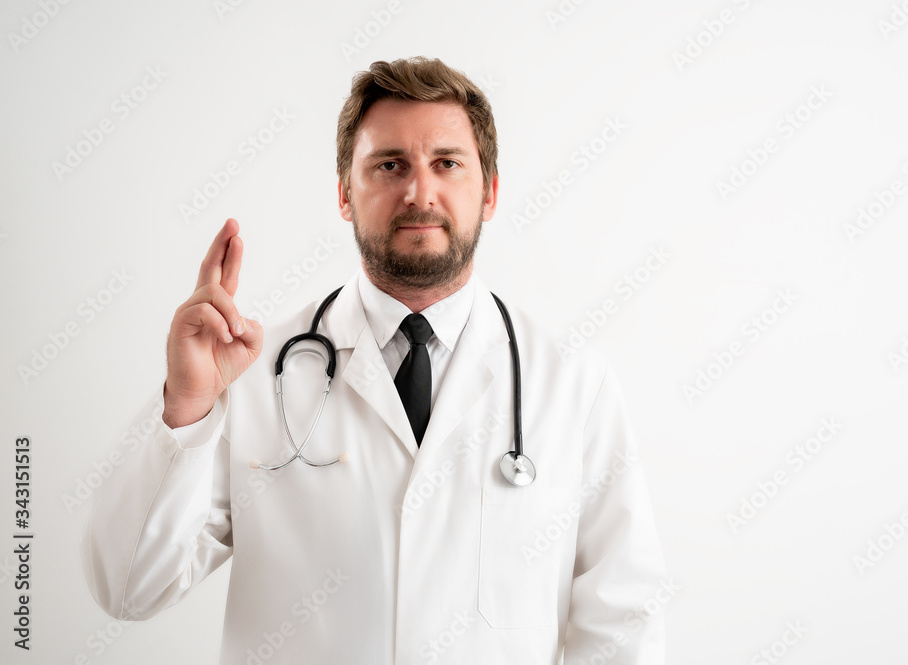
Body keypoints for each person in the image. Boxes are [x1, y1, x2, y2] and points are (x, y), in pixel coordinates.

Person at [83, 56, 666, 663]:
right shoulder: (252, 373)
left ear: (489, 191)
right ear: (344, 194)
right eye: (390, 165)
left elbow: (623, 620)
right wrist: (186, 406)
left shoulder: (574, 385)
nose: (419, 192)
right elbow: (128, 589)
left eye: (447, 163)